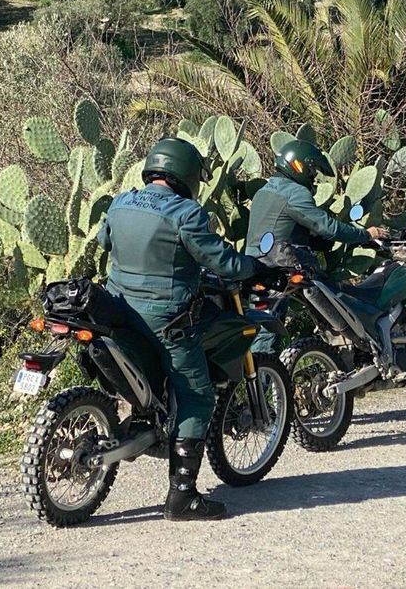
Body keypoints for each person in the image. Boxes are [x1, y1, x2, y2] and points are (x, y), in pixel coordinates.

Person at [97, 136, 274, 522]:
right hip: (166, 321)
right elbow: (223, 262)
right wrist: (255, 268)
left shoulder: (121, 202)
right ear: (188, 174)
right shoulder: (186, 214)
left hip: (118, 311)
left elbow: (104, 240)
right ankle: (183, 496)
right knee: (198, 396)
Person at [244, 139, 387, 355]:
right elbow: (327, 226)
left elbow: (280, 230)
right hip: (281, 268)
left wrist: (317, 242)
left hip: (256, 269)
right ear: (299, 165)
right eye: (312, 170)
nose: (313, 177)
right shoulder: (293, 192)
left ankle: (261, 373)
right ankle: (362, 347)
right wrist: (365, 234)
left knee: (263, 327)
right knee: (334, 305)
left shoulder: (263, 192)